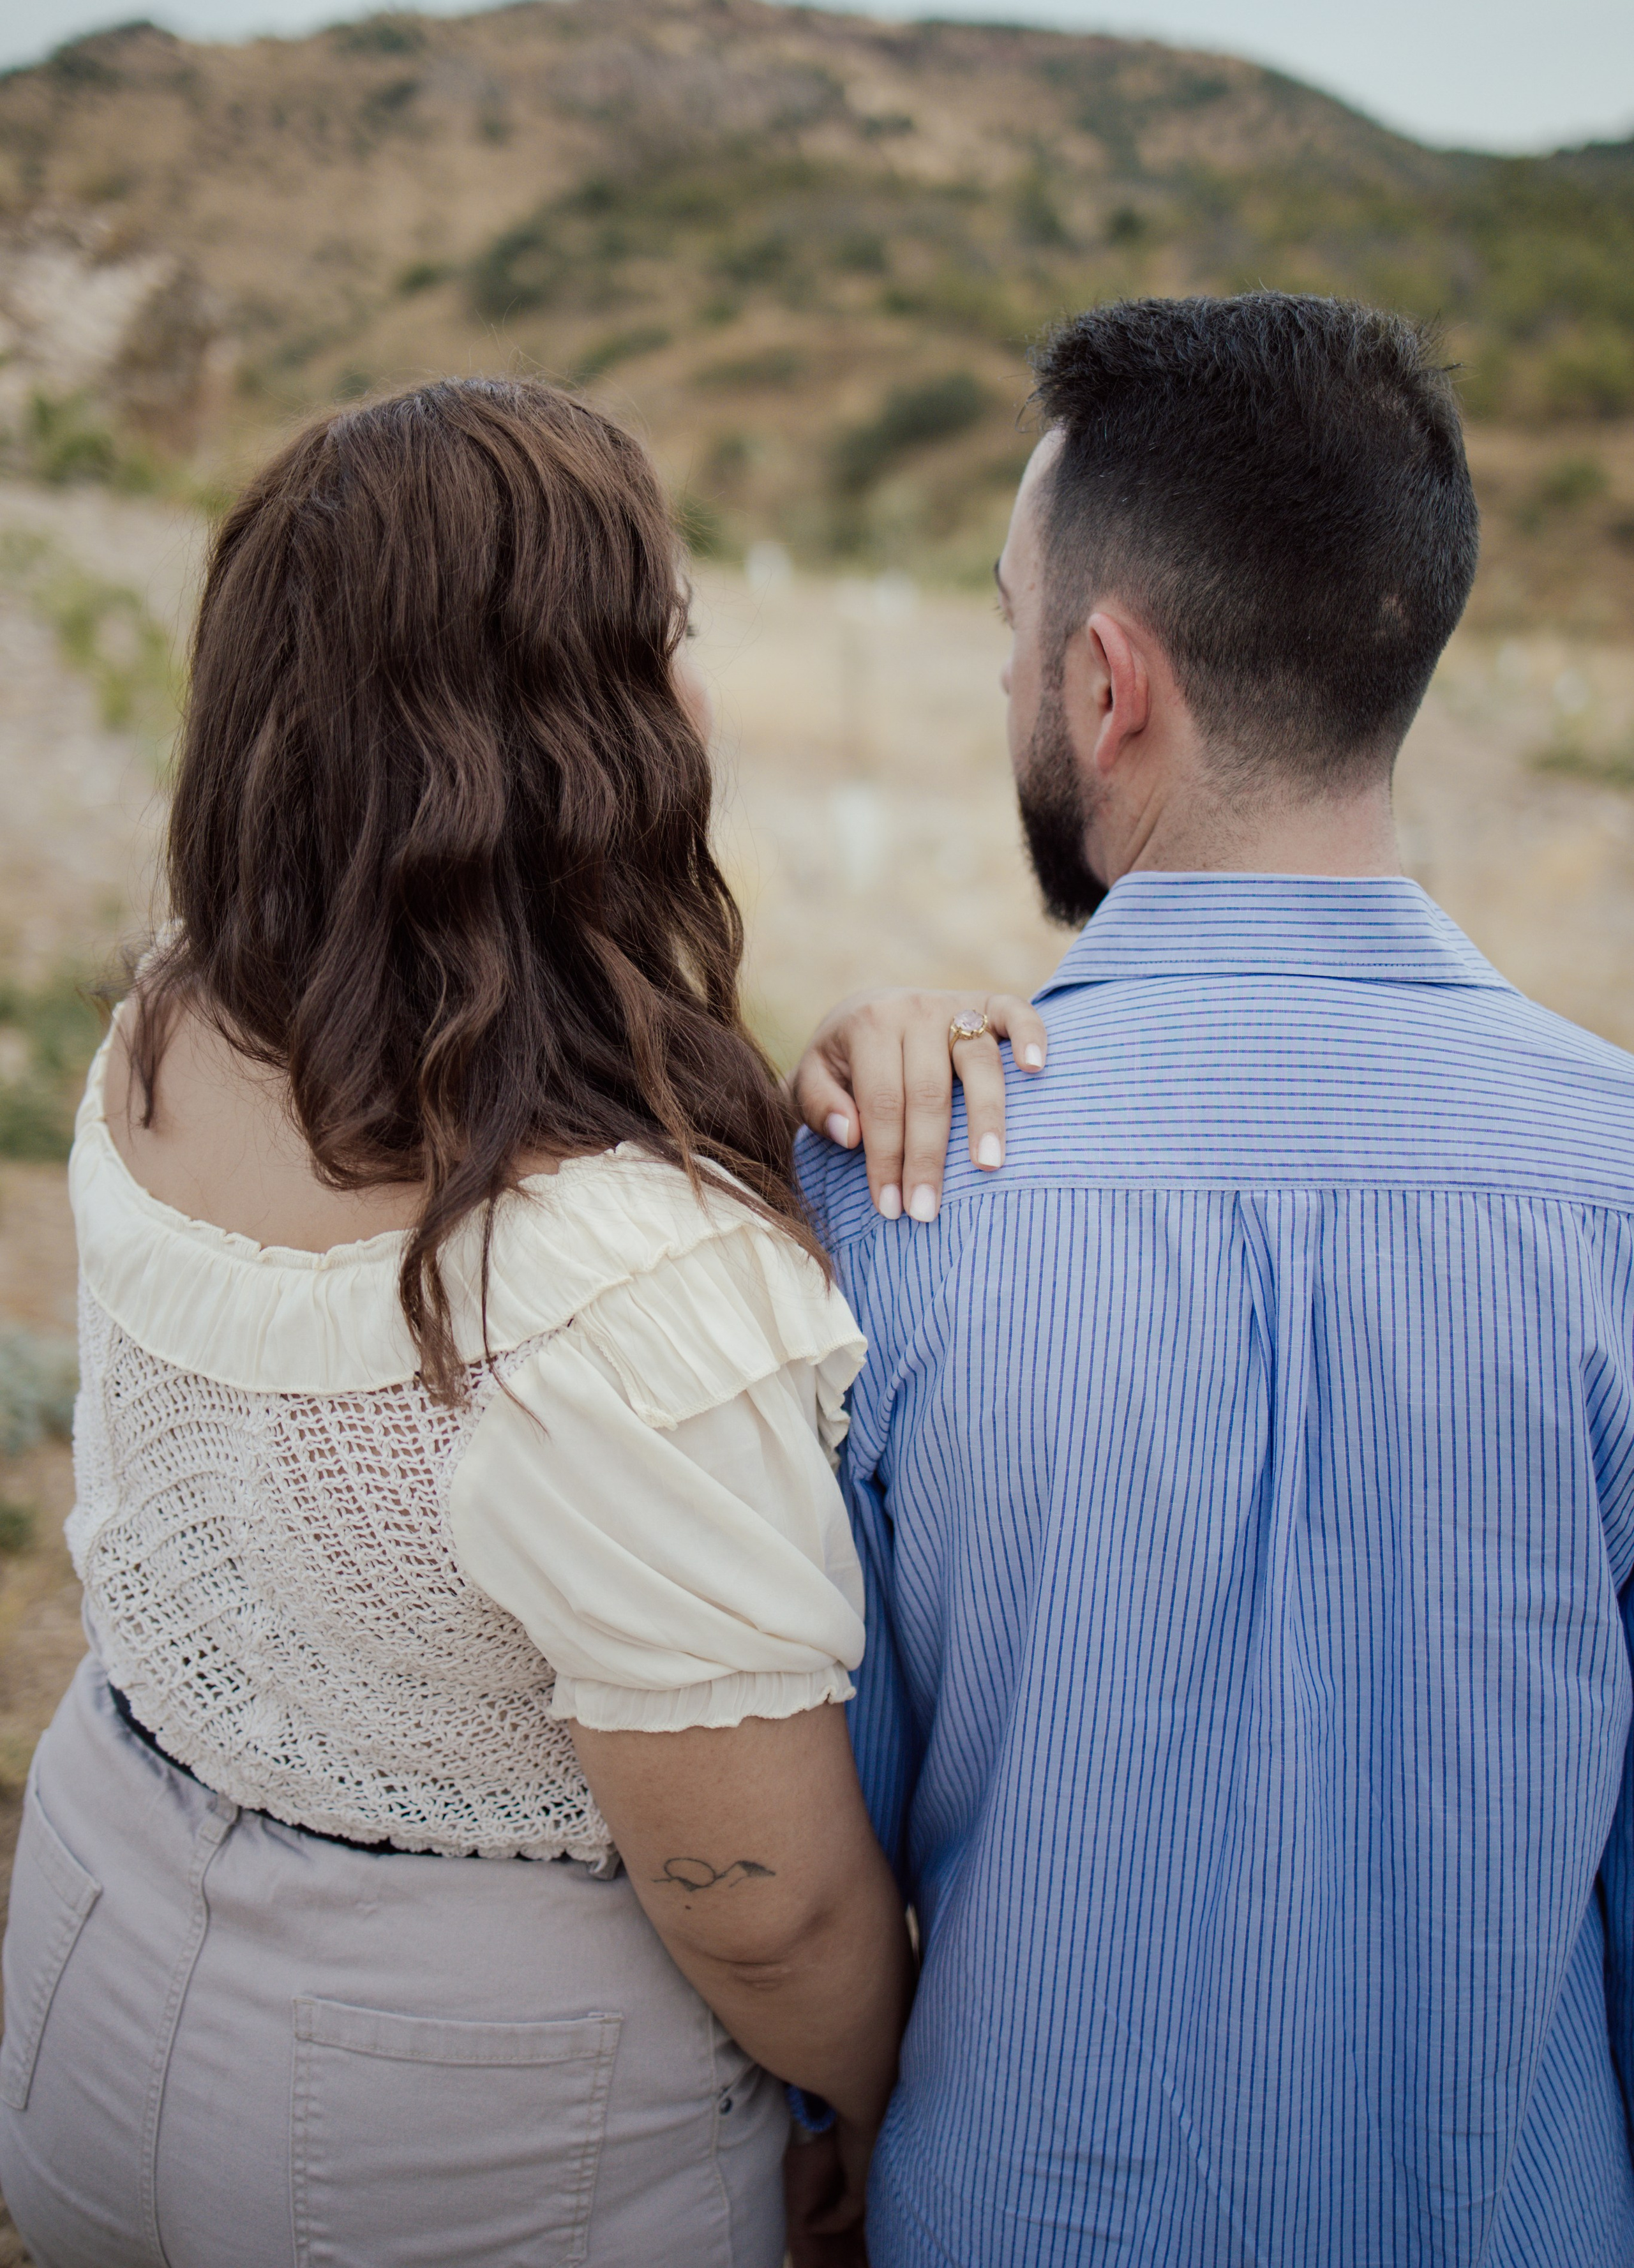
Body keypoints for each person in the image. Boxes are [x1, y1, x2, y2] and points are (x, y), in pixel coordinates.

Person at [0, 378, 1038, 2268]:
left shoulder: (175, 1021)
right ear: (576, 731)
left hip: (87, 1928)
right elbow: (764, 1903)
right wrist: (885, 2107)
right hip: (458, 2115)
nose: (697, 685)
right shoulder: (608, 1274)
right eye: (675, 635)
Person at [792, 293, 1634, 2265]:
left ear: (1108, 683)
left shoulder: (885, 1199)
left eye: (1013, 629)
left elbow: (817, 1871)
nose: (1007, 675)